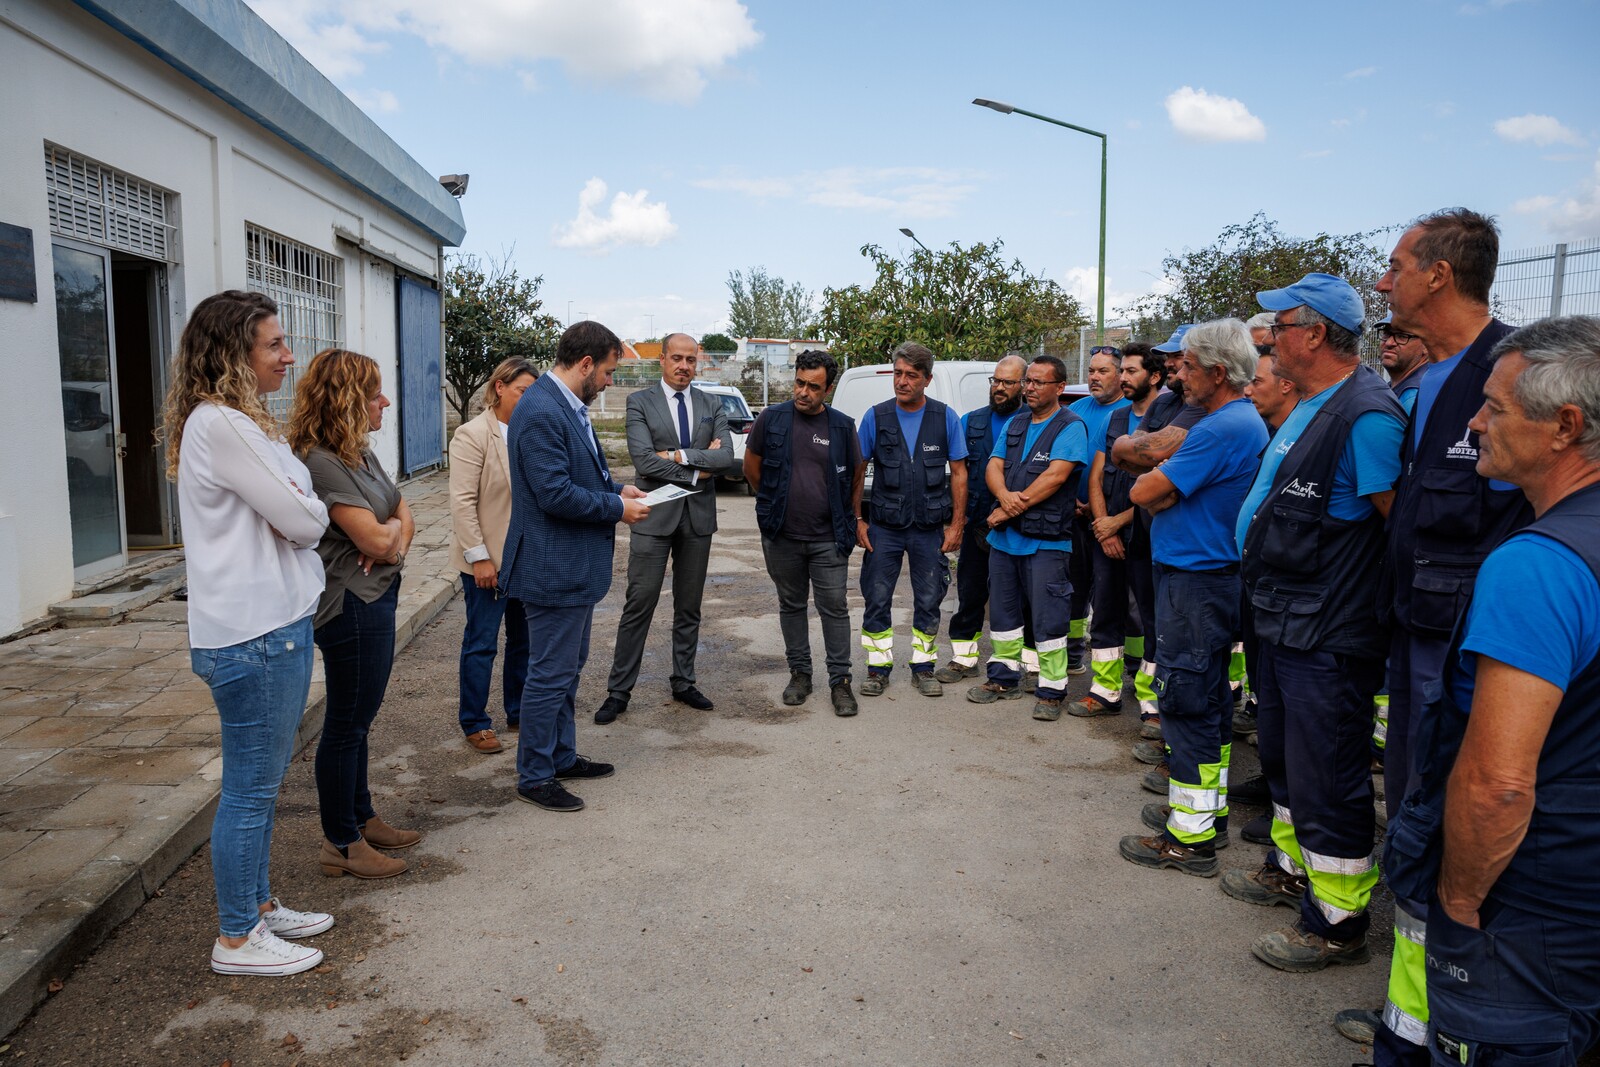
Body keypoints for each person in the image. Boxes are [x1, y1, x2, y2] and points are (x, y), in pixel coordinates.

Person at [1384, 316, 1600, 1067]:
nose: (1474, 422)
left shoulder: (1539, 565)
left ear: (1564, 426)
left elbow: (1497, 784)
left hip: (1534, 908)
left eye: (1495, 407)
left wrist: (1458, 902)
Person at [1348, 209, 1531, 1061]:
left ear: (1438, 276)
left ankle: (1440, 1028)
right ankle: (1411, 1019)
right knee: (1418, 821)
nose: (1382, 282)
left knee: (1453, 832)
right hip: (1416, 633)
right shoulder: (1428, 382)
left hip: (1472, 657)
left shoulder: (1515, 376)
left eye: (1395, 265)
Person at [1224, 273, 1406, 973]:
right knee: (1287, 757)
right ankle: (1292, 869)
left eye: (1280, 326)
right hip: (1286, 616)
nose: (1268, 339)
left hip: (1328, 630)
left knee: (1327, 769)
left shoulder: (1366, 415)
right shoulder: (1312, 403)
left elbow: (1396, 528)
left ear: (1317, 334)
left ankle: (1337, 920)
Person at [164, 290, 334, 976]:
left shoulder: (238, 423)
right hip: (255, 634)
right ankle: (236, 937)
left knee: (260, 783)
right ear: (234, 352)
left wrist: (298, 503)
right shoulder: (223, 424)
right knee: (251, 790)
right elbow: (307, 520)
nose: (288, 356)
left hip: (266, 628)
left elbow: (297, 508)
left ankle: (258, 906)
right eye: (274, 344)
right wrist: (303, 506)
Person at [1118, 320, 1267, 876]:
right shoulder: (1236, 421)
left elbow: (1143, 489)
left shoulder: (1219, 427)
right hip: (1205, 578)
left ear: (1218, 372)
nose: (1179, 376)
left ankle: (1191, 837)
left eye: (1187, 366)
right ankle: (1205, 814)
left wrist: (1158, 480)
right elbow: (1156, 491)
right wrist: (1163, 484)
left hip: (1197, 581)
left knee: (1186, 701)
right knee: (1208, 700)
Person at [498, 321, 650, 812]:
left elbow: (576, 475)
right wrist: (617, 508)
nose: (609, 382)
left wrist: (616, 490)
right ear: (585, 364)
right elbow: (554, 493)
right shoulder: (543, 410)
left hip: (569, 567)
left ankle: (560, 756)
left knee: (566, 669)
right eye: (607, 372)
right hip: (551, 567)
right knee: (549, 674)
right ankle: (535, 775)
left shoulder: (563, 404)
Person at [288, 350, 420, 880]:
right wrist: (387, 538)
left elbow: (402, 514)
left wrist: (392, 537)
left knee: (359, 721)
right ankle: (340, 841)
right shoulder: (321, 461)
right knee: (346, 723)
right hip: (350, 606)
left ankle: (362, 819)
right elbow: (374, 538)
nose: (384, 402)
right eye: (373, 394)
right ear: (346, 400)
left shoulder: (358, 453)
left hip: (375, 595)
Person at [595, 333, 736, 724]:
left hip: (697, 518)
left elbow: (726, 457)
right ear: (661, 359)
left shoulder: (711, 403)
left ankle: (684, 681)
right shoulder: (640, 402)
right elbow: (643, 460)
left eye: (690, 360)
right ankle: (618, 691)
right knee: (639, 603)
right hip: (652, 516)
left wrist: (676, 455)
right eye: (677, 358)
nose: (684, 366)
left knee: (689, 606)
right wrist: (697, 468)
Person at [965, 355, 1088, 720]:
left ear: (1059, 387)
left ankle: (1051, 690)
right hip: (1005, 542)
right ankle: (1003, 678)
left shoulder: (1071, 426)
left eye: (1038, 382)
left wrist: (1009, 508)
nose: (1029, 388)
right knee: (1003, 616)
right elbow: (993, 465)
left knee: (1049, 619)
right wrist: (1004, 498)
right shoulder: (1016, 422)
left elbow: (1056, 476)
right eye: (1028, 381)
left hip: (1047, 542)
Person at [744, 350, 865, 716]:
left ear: (827, 389)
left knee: (834, 608)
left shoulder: (842, 426)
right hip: (782, 535)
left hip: (829, 537)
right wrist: (774, 505)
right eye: (799, 383)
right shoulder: (771, 419)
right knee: (792, 604)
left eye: (813, 386)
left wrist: (853, 517)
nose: (803, 392)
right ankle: (800, 674)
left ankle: (840, 681)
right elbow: (752, 468)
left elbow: (856, 474)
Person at [856, 342, 968, 697]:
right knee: (877, 597)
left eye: (911, 376)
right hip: (884, 527)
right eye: (898, 373)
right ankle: (878, 668)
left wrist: (957, 525)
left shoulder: (945, 417)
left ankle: (923, 667)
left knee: (929, 598)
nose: (902, 381)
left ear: (927, 379)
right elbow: (858, 470)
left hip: (929, 528)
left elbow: (959, 473)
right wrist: (857, 519)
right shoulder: (875, 417)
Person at [449, 358, 538, 754]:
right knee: (482, 642)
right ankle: (475, 721)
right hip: (487, 560)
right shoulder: (472, 435)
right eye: (522, 391)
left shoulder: (530, 433)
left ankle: (518, 711)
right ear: (500, 388)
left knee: (524, 641)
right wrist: (479, 558)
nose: (528, 399)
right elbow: (462, 502)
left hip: (526, 558)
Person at [1076, 343, 1162, 717]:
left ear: (1154, 376)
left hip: (1147, 536)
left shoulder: (1171, 421)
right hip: (1106, 536)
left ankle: (1151, 700)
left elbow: (1166, 483)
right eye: (1121, 371)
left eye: (1131, 371)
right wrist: (1104, 528)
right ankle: (1105, 690)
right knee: (1106, 612)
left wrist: (1118, 522)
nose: (1123, 378)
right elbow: (1096, 476)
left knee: (1151, 618)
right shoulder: (1114, 419)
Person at [935, 355, 1027, 685]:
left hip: (1019, 525)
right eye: (995, 381)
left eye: (1007, 382)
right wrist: (957, 522)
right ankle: (964, 657)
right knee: (970, 592)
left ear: (1023, 385)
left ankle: (1024, 663)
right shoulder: (971, 421)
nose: (999, 388)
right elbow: (958, 475)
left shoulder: (1035, 421)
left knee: (1019, 598)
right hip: (977, 524)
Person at [1064, 347, 1131, 673]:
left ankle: (1133, 665)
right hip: (1074, 517)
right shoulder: (1077, 409)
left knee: (1114, 595)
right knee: (1073, 590)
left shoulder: (1130, 412)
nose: (1094, 377)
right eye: (1091, 371)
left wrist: (1097, 508)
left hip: (1113, 521)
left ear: (1121, 374)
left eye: (1103, 371)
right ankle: (1072, 655)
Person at [1378, 312, 1428, 414]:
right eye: (1386, 333)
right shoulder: (1398, 387)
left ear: (1426, 345)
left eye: (1402, 336)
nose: (1389, 343)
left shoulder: (1414, 397)